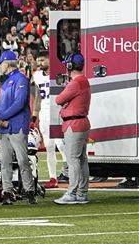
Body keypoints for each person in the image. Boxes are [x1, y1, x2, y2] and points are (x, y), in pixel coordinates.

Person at [0, 50, 36, 205]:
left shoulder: (21, 79)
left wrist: (2, 117)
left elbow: (19, 103)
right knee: (5, 161)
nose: (0, 66)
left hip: (16, 125)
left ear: (7, 63)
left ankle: (29, 190)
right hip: (7, 126)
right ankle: (7, 191)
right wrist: (1, 118)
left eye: (1, 63)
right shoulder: (9, 81)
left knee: (22, 159)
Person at [54, 53, 91, 205]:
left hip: (73, 125)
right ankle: (82, 192)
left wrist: (66, 105)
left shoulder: (75, 83)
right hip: (81, 123)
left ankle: (72, 192)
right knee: (82, 159)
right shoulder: (84, 81)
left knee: (73, 159)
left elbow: (59, 99)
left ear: (69, 66)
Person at [31, 50, 67, 188]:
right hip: (45, 113)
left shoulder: (59, 74)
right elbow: (38, 97)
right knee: (49, 146)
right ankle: (53, 178)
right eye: (38, 60)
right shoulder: (37, 76)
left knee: (60, 143)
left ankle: (69, 169)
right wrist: (34, 115)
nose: (40, 63)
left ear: (50, 60)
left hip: (57, 111)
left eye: (42, 60)